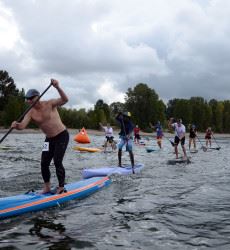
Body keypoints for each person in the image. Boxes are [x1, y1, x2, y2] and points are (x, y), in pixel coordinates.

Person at [11, 79, 69, 194]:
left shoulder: (50, 103)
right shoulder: (30, 112)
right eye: (26, 99)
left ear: (37, 97)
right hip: (49, 139)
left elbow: (65, 100)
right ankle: (47, 187)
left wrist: (57, 87)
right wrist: (16, 125)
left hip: (62, 135)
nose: (28, 101)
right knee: (44, 163)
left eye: (30, 99)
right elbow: (22, 126)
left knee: (57, 161)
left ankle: (61, 187)